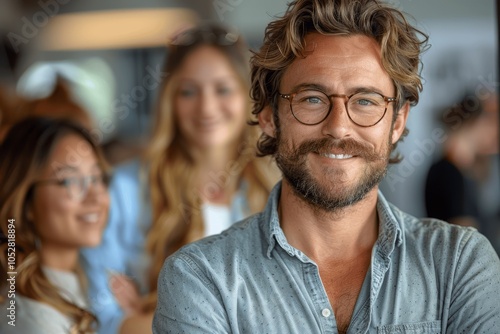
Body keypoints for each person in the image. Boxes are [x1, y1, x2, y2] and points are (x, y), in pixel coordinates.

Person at [153, 1, 500, 333]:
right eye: (312, 99)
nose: (338, 127)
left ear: (397, 122)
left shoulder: (459, 263)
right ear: (268, 117)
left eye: (366, 101)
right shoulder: (201, 278)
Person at [81, 23, 278, 334]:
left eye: (223, 89)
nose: (206, 107)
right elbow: (103, 319)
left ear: (247, 96)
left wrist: (165, 317)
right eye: (188, 91)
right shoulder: (126, 189)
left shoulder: (278, 189)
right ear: (169, 101)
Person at [0, 117, 110, 334]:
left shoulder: (83, 280)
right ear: (26, 203)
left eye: (97, 178)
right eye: (69, 181)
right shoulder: (32, 318)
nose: (96, 197)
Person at [426, 92, 499, 252]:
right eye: (492, 124)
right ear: (478, 123)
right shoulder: (449, 173)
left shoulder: (464, 170)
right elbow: (465, 246)